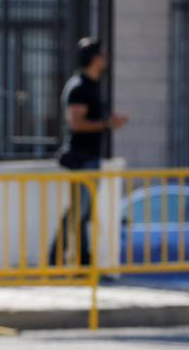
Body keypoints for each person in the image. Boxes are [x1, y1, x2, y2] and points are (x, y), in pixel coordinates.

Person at [49, 36, 129, 266]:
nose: (106, 60)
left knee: (82, 213)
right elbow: (76, 122)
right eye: (102, 55)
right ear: (94, 58)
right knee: (78, 211)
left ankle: (83, 261)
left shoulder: (91, 86)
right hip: (81, 158)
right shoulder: (80, 87)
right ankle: (56, 256)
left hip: (90, 157)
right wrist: (106, 124)